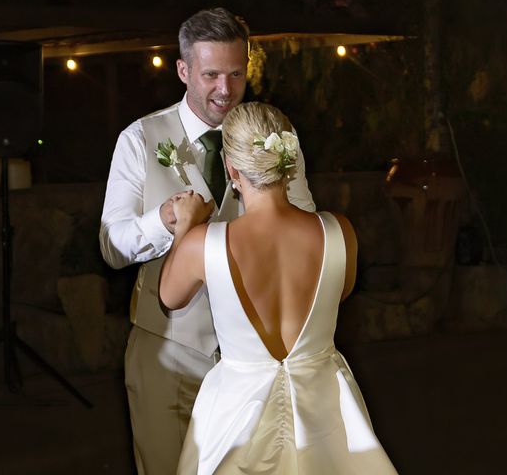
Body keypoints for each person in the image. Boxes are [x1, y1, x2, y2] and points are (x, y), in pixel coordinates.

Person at [99, 8, 315, 474]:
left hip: (257, 357)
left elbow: (307, 223)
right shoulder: (140, 139)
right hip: (168, 355)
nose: (225, 89)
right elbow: (112, 246)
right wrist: (164, 220)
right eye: (211, 74)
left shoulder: (276, 136)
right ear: (183, 70)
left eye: (236, 73)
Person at [160, 102, 398, 474]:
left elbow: (169, 297)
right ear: (289, 161)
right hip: (326, 411)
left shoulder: (203, 243)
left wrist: (183, 230)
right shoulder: (339, 231)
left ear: (231, 168)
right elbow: (341, 290)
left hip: (236, 413)